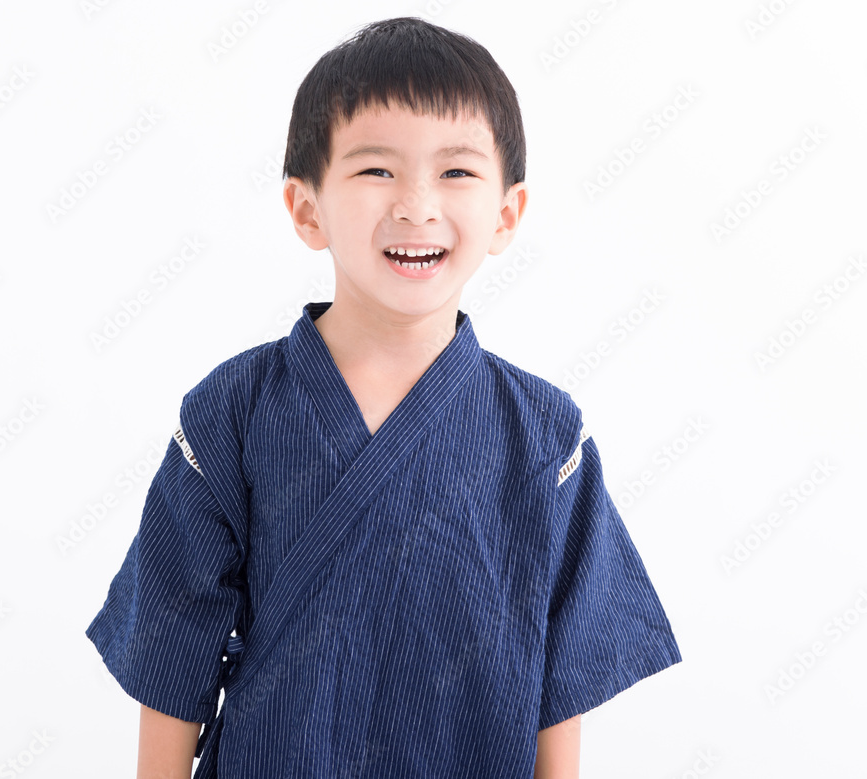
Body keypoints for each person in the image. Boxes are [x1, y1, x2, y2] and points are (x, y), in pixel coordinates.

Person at [85, 16, 682, 779]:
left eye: (456, 173)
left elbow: (558, 678)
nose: (416, 205)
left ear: (506, 214)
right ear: (307, 209)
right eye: (376, 172)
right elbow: (173, 648)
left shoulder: (545, 435)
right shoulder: (231, 412)